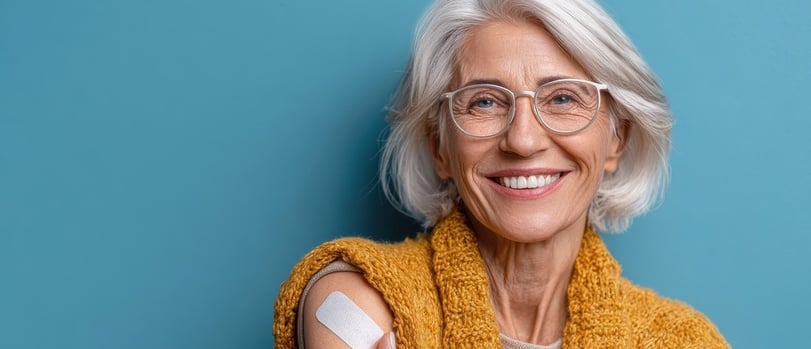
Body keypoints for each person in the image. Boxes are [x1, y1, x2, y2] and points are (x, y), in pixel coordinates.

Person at [274, 0, 730, 347]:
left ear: (616, 140)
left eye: (564, 99)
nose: (523, 140)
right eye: (485, 102)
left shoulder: (681, 339)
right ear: (440, 148)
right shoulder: (363, 296)